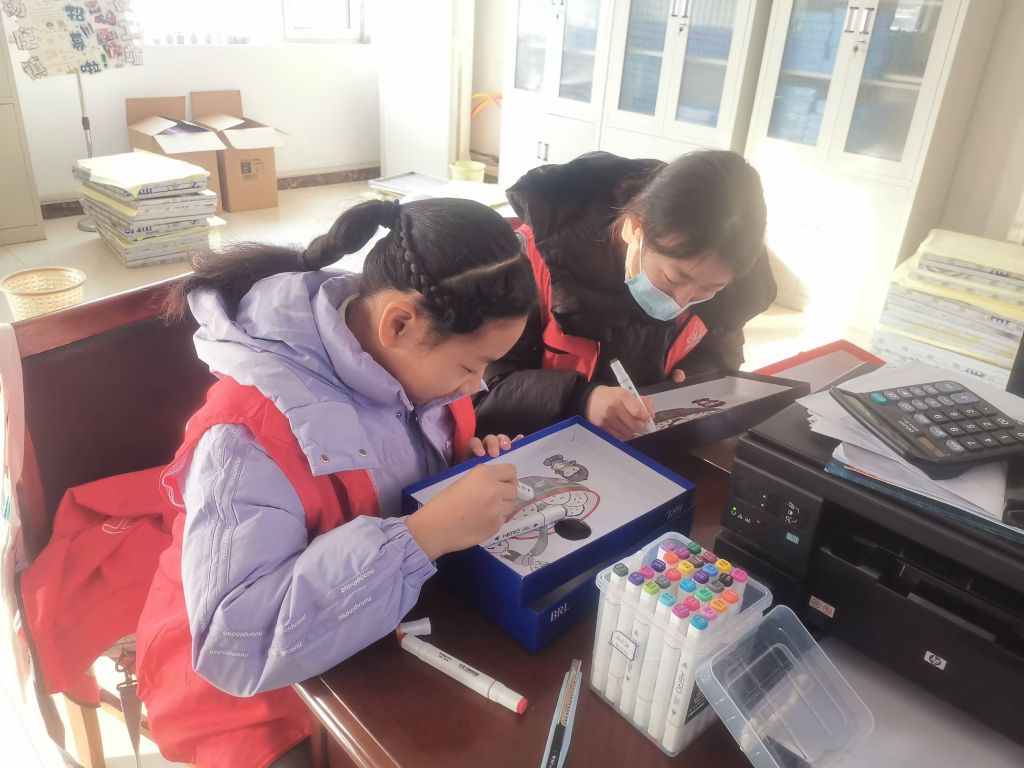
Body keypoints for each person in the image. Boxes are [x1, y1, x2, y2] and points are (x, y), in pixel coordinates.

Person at [135, 198, 537, 768]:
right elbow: (235, 642)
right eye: (471, 366)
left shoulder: (408, 366)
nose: (476, 387)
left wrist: (461, 468)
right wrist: (420, 536)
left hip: (383, 628)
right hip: (259, 695)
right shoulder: (245, 436)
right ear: (399, 323)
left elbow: (400, 468)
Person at [474, 150, 775, 441]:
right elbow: (482, 388)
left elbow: (721, 356)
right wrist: (580, 398)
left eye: (710, 289)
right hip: (543, 449)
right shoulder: (539, 260)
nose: (683, 300)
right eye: (674, 278)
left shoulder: (725, 272)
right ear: (634, 228)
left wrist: (692, 380)